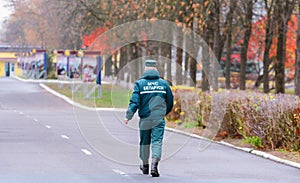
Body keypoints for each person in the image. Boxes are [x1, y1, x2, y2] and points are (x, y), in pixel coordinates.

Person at [124, 60, 174, 177]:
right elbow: (170, 101)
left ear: (145, 69)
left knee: (144, 142)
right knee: (157, 141)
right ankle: (154, 166)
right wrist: (164, 113)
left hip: (145, 119)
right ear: (156, 69)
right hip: (158, 118)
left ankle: (145, 165)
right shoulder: (164, 84)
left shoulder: (140, 84)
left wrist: (128, 116)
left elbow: (134, 102)